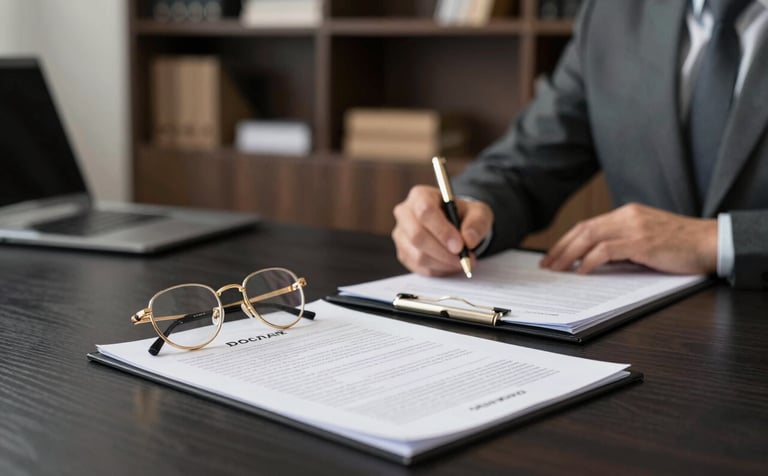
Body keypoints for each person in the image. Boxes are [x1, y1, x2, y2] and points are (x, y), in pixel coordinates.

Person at [392, 0, 768, 289]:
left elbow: (706, 237)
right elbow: (523, 165)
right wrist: (463, 214)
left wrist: (716, 240)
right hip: (648, 338)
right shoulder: (613, 14)